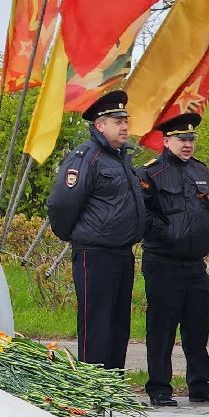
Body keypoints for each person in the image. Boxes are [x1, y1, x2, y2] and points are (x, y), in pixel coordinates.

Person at [46, 89, 147, 370]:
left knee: (118, 323)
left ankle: (113, 383)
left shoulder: (121, 158)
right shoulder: (86, 157)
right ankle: (93, 384)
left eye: (125, 120)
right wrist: (74, 235)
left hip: (121, 252)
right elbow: (62, 203)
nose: (124, 126)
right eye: (117, 121)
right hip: (95, 253)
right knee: (96, 323)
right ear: (100, 125)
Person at [137, 113, 209, 406]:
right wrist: (168, 234)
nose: (187, 144)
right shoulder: (150, 173)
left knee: (197, 326)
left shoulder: (200, 172)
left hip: (194, 264)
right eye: (181, 139)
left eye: (191, 139)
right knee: (162, 329)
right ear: (166, 141)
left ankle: (200, 385)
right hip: (163, 261)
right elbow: (143, 214)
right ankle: (160, 388)